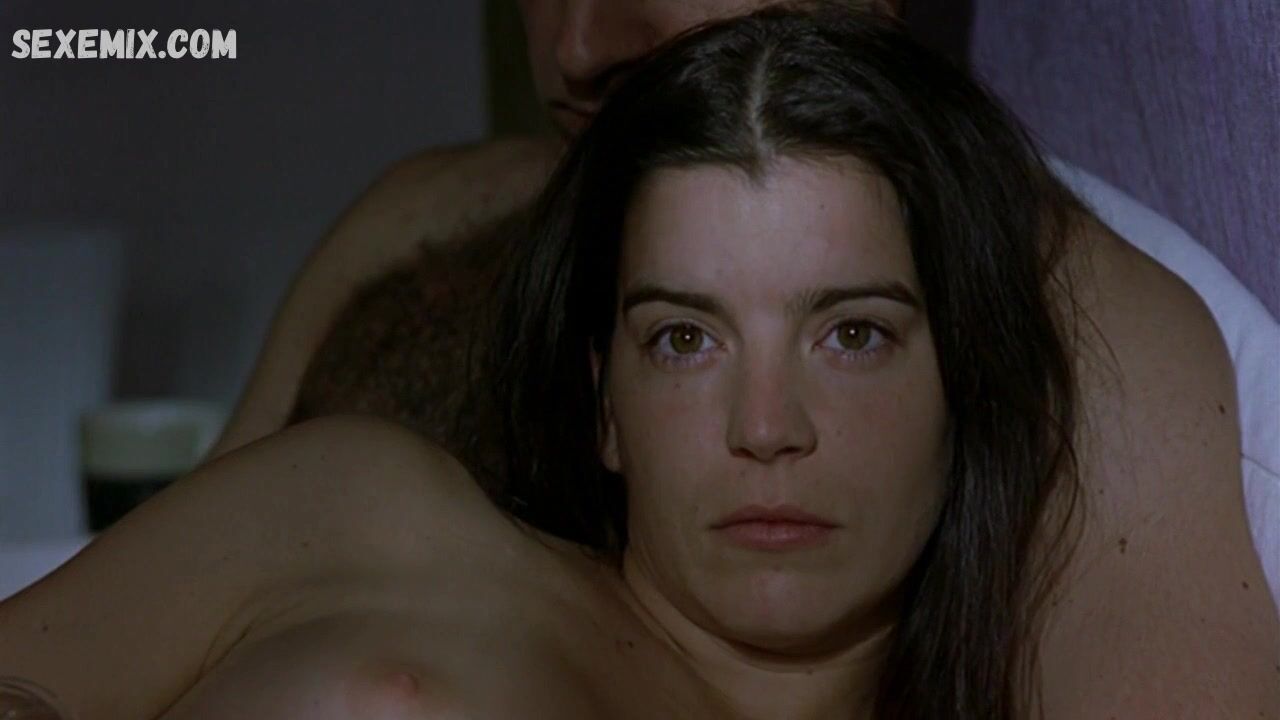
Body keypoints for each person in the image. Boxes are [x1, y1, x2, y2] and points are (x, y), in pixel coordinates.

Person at [2, 6, 1276, 719]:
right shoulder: (359, 495)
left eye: (852, 336)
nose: (764, 426)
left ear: (973, 395)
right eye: (681, 339)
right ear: (599, 398)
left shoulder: (1085, 324)